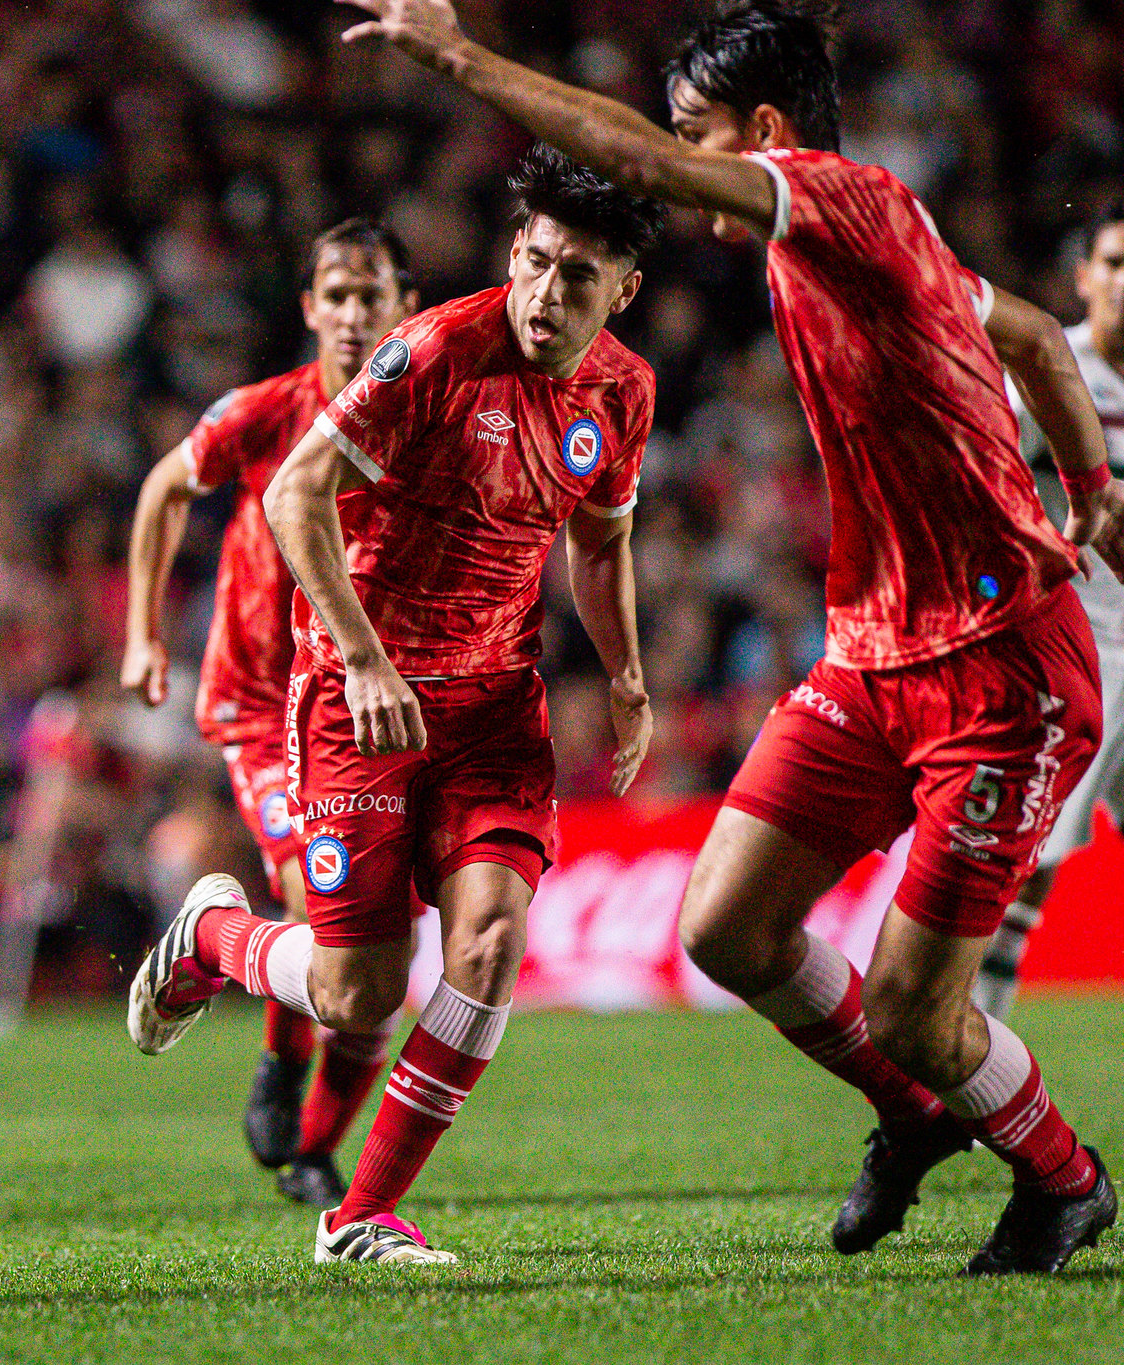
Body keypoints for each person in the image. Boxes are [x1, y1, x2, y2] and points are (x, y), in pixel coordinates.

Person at [336, 0, 1124, 1274]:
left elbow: (638, 169)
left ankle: (1064, 1179)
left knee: (914, 1008)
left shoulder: (841, 201)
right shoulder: (861, 239)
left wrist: (456, 56)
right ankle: (912, 1117)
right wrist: (1089, 488)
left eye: (697, 136)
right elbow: (1030, 332)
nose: (678, 160)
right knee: (723, 928)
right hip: (871, 656)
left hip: (999, 666)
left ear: (761, 135)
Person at [128, 145, 663, 1264]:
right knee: (354, 992)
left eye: (577, 277)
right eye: (533, 262)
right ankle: (212, 935)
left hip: (490, 712)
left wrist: (621, 674)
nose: (544, 295)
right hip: (354, 701)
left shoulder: (623, 390)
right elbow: (291, 492)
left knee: (488, 943)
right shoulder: (427, 351)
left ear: (624, 291)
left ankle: (359, 1216)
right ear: (510, 255)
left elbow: (601, 543)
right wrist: (365, 659)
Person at [120, 218, 418, 1207]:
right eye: (333, 295)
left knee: (380, 947)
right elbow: (165, 487)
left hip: (356, 707)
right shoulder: (265, 413)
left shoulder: (421, 421)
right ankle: (280, 1074)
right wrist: (142, 633)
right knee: (308, 897)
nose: (349, 313)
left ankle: (309, 1148)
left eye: (368, 295)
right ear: (307, 309)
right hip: (258, 703)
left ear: (402, 311)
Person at [974, 201, 1124, 1018]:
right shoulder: (1051, 368)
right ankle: (968, 1052)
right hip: (1082, 648)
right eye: (1113, 264)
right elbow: (980, 469)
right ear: (1083, 277)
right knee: (1033, 859)